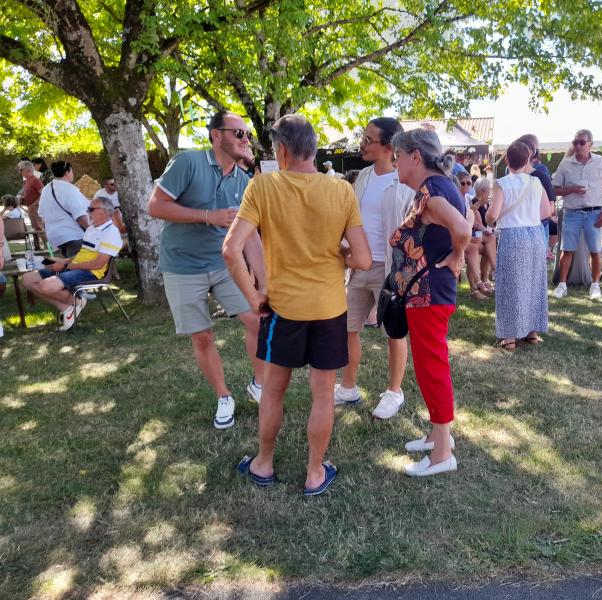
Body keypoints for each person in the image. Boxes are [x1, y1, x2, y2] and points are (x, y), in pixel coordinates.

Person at [223, 114, 370, 495]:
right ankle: (315, 473)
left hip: (282, 309)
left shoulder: (262, 186)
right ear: (314, 148)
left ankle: (264, 464)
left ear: (282, 150)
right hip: (329, 309)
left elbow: (230, 250)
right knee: (324, 393)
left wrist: (254, 296)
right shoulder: (341, 191)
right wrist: (340, 253)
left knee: (273, 389)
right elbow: (365, 259)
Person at [148, 110, 264, 430]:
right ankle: (223, 396)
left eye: (247, 134)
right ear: (216, 135)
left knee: (257, 320)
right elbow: (155, 206)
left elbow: (251, 235)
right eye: (238, 133)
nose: (245, 139)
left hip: (223, 264)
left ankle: (259, 384)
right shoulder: (188, 162)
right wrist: (207, 216)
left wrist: (264, 281)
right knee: (202, 336)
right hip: (182, 267)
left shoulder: (244, 181)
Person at [391, 128, 471, 477]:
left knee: (432, 367)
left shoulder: (433, 191)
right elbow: (464, 221)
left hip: (429, 293)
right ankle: (438, 437)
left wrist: (457, 257)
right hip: (426, 292)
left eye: (397, 155)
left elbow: (463, 229)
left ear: (415, 157)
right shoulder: (440, 185)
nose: (395, 162)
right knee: (428, 366)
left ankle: (441, 454)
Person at [335, 117, 415, 420]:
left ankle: (394, 391)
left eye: (369, 139)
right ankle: (348, 387)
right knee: (347, 328)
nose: (362, 143)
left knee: (394, 333)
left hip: (391, 269)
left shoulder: (404, 183)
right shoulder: (363, 177)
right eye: (363, 137)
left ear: (388, 146)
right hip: (358, 264)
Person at [21, 197, 122, 331]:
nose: (88, 212)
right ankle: (68, 308)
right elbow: (83, 254)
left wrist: (67, 266)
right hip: (75, 266)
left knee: (45, 286)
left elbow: (98, 264)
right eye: (88, 209)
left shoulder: (111, 232)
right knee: (27, 279)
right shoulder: (92, 229)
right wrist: (65, 261)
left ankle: (78, 302)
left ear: (106, 212)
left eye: (91, 209)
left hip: (91, 273)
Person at [486, 140, 549, 351]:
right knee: (533, 282)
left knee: (510, 284)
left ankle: (510, 336)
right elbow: (546, 212)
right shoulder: (536, 182)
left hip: (513, 235)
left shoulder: (502, 183)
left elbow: (493, 215)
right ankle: (532, 332)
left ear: (506, 160)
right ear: (528, 160)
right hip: (535, 234)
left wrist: (489, 216)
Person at [552, 129, 602, 300]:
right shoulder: (565, 164)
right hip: (572, 212)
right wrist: (571, 189)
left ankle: (595, 286)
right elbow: (555, 189)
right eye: (575, 142)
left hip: (594, 212)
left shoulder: (601, 162)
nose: (578, 146)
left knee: (595, 250)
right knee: (567, 249)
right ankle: (562, 285)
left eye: (582, 142)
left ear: (590, 144)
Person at [37, 160, 89, 258]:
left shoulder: (46, 189)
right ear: (67, 172)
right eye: (72, 171)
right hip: (72, 234)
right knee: (79, 267)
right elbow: (79, 215)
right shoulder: (70, 189)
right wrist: (91, 230)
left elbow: (41, 212)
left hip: (55, 236)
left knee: (68, 264)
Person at [17, 160, 44, 230]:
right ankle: (40, 241)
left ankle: (46, 241)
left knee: (39, 228)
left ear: (28, 169)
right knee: (36, 229)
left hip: (36, 209)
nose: (20, 172)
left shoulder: (35, 180)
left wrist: (34, 204)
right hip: (31, 208)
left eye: (21, 169)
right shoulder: (27, 181)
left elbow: (44, 194)